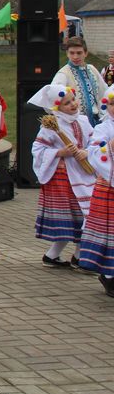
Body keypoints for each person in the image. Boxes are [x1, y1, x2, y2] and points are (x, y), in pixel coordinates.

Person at [29, 84, 93, 269]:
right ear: (57, 107)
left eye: (73, 100)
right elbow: (38, 149)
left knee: (84, 214)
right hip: (63, 177)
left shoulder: (83, 120)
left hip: (83, 174)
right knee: (75, 216)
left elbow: (94, 142)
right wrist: (59, 152)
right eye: (66, 103)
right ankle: (77, 257)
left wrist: (86, 152)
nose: (72, 104)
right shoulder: (52, 125)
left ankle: (54, 255)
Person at [82, 85, 114, 297]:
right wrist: (109, 147)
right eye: (112, 104)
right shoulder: (104, 128)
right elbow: (93, 153)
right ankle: (109, 275)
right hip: (109, 188)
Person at [52, 37, 105, 126]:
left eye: (79, 53)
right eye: (72, 53)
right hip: (76, 122)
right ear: (67, 53)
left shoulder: (92, 69)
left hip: (98, 121)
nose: (75, 57)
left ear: (86, 53)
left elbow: (104, 93)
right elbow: (54, 99)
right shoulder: (63, 74)